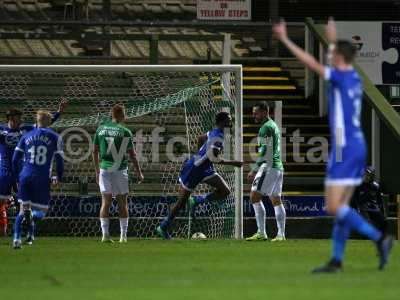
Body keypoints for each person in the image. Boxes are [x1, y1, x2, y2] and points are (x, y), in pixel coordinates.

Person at [273, 18, 394, 272]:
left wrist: (284, 39)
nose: (331, 58)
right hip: (356, 145)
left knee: (333, 206)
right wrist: (331, 42)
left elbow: (314, 64)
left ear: (339, 58)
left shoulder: (339, 76)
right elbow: (334, 62)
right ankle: (336, 260)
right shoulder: (353, 77)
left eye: (333, 54)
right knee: (343, 207)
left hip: (344, 146)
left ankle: (380, 238)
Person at [156, 111, 243, 239]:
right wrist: (234, 163)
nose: (230, 122)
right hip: (194, 170)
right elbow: (214, 158)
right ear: (221, 122)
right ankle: (162, 227)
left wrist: (200, 155)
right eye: (228, 120)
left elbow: (200, 138)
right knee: (181, 202)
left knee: (225, 190)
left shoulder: (215, 132)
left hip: (205, 168)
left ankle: (197, 200)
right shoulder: (218, 136)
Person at [0, 99, 67, 238]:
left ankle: (27, 233)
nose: (21, 120)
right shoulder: (1, 130)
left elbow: (44, 122)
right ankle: (4, 232)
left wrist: (59, 112)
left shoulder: (25, 129)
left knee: (26, 205)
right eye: (18, 118)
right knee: (2, 203)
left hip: (22, 172)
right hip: (5, 171)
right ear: (11, 118)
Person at [12, 110, 64, 249]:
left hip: (25, 175)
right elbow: (60, 162)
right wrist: (58, 177)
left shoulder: (26, 136)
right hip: (41, 177)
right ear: (48, 121)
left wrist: (18, 177)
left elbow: (15, 159)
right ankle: (32, 216)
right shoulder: (56, 137)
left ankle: (16, 239)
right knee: (41, 211)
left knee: (22, 210)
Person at [93, 104, 144, 243]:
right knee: (123, 203)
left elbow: (94, 151)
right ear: (122, 115)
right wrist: (139, 172)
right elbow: (132, 155)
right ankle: (123, 236)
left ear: (111, 114)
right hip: (120, 170)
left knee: (105, 202)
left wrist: (97, 171)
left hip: (104, 169)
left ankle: (105, 235)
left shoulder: (101, 129)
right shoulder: (125, 131)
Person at [246, 102, 286, 242]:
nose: (254, 116)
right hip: (278, 167)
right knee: (276, 199)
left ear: (264, 112)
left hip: (269, 167)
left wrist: (254, 170)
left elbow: (266, 153)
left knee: (254, 197)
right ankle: (281, 235)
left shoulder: (265, 128)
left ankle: (262, 233)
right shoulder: (273, 125)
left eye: (256, 113)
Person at [351, 166, 387, 234]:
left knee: (384, 221)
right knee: (367, 222)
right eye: (365, 175)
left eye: (368, 175)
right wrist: (356, 209)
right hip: (363, 208)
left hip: (374, 208)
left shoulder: (376, 186)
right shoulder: (358, 185)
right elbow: (353, 199)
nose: (366, 177)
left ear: (372, 176)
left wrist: (382, 212)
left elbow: (380, 200)